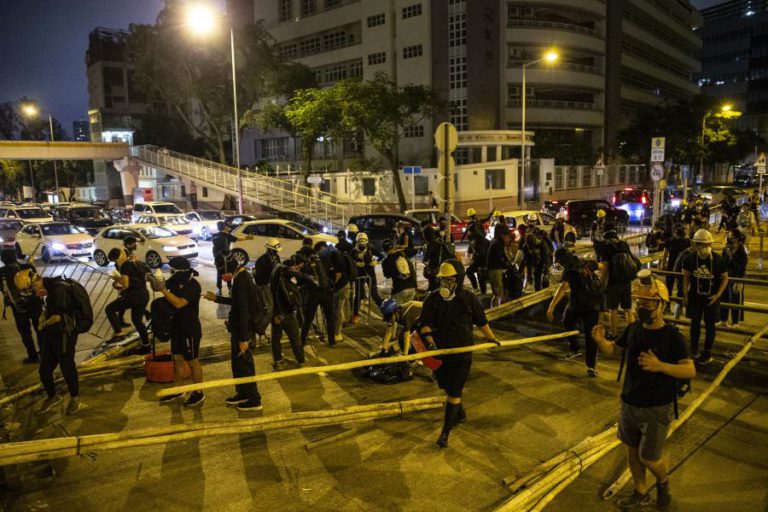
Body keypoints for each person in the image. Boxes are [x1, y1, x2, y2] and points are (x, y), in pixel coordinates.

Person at [592, 270, 695, 511]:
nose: (641, 307)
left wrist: (660, 366)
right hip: (629, 402)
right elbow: (614, 351)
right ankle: (640, 491)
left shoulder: (672, 337)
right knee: (631, 451)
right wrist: (600, 341)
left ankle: (662, 481)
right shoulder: (633, 328)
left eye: (647, 302)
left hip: (657, 407)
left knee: (649, 457)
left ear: (661, 304)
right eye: (639, 302)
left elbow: (690, 371)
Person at [418, 260, 499, 448]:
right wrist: (430, 343)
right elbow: (425, 324)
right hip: (440, 353)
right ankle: (459, 414)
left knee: (454, 392)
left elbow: (481, 322)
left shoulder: (469, 299)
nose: (445, 284)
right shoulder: (432, 300)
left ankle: (445, 432)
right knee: (446, 387)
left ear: (458, 279)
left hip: (462, 354)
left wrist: (492, 338)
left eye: (449, 280)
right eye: (442, 280)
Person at [14, 269, 84, 415]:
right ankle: (52, 397)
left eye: (32, 288)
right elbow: (49, 310)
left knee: (67, 368)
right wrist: (43, 316)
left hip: (65, 335)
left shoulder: (59, 290)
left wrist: (43, 324)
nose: (33, 292)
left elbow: (58, 317)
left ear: (36, 281)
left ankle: (75, 399)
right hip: (51, 335)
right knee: (44, 370)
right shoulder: (50, 288)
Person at [204, 259, 262, 410]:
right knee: (238, 364)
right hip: (239, 329)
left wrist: (244, 338)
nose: (224, 277)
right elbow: (237, 302)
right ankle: (243, 392)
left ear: (231, 271)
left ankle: (254, 399)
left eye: (224, 273)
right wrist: (217, 298)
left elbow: (243, 310)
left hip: (243, 330)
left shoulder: (242, 281)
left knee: (245, 364)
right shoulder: (241, 277)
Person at [151, 257, 205, 407]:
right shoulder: (175, 279)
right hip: (176, 326)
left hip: (189, 328)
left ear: (179, 269)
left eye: (172, 269)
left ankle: (198, 392)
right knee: (177, 359)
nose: (171, 272)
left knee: (193, 361)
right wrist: (153, 280)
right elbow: (159, 287)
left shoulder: (193, 285)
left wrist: (162, 289)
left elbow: (179, 303)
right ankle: (178, 389)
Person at [547, 249, 602, 377]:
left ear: (562, 260)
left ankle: (574, 348)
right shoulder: (584, 262)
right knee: (591, 336)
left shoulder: (570, 270)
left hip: (576, 305)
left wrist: (551, 306)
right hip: (593, 305)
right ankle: (591, 366)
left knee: (567, 320)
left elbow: (563, 288)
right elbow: (602, 266)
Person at [682, 229, 728, 364]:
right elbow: (686, 278)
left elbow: (725, 278)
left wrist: (718, 295)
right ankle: (694, 349)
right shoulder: (689, 259)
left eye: (706, 244)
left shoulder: (718, 260)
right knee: (694, 324)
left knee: (710, 325)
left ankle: (707, 352)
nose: (704, 247)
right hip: (695, 297)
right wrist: (685, 295)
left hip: (711, 298)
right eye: (700, 244)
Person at [270, 256, 312, 369]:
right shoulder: (285, 278)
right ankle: (301, 359)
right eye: (293, 268)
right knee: (294, 337)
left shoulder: (275, 273)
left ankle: (278, 361)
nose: (295, 270)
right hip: (286, 313)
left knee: (276, 338)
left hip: (275, 313)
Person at [0, 249, 42, 363]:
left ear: (2, 259)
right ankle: (45, 354)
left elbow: (3, 290)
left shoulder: (1, 272)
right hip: (35, 304)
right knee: (40, 329)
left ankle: (33, 357)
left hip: (19, 308)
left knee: (25, 333)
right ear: (14, 257)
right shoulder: (28, 267)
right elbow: (38, 283)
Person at [105, 248, 150, 350]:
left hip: (133, 296)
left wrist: (117, 284)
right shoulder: (135, 262)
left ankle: (119, 333)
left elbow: (126, 285)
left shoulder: (125, 266)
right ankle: (146, 344)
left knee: (109, 309)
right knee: (137, 321)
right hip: (144, 294)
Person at [300, 242, 340, 348]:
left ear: (305, 255)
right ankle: (331, 341)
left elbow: (302, 279)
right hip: (326, 292)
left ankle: (302, 342)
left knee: (308, 319)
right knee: (329, 317)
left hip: (314, 294)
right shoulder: (323, 259)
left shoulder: (307, 264)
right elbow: (331, 273)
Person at [600, 226, 637, 338]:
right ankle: (633, 333)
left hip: (613, 283)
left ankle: (613, 333)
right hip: (626, 282)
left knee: (613, 309)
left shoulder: (607, 248)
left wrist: (601, 283)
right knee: (627, 309)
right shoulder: (624, 245)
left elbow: (605, 268)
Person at [211, 221, 251, 295]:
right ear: (224, 227)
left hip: (218, 258)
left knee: (219, 273)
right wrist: (247, 238)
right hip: (227, 257)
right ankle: (230, 289)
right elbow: (238, 239)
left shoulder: (214, 235)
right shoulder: (226, 235)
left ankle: (219, 290)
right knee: (228, 271)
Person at [350, 233, 382, 323]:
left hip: (370, 274)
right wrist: (355, 263)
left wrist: (375, 261)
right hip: (359, 275)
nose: (363, 247)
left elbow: (381, 255)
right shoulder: (353, 251)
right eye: (361, 245)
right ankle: (355, 315)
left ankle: (385, 312)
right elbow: (349, 260)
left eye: (364, 245)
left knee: (374, 294)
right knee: (358, 295)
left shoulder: (370, 249)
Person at [720, 229, 747, 327]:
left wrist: (738, 281)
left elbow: (742, 266)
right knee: (724, 298)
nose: (729, 238)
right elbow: (722, 264)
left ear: (736, 238)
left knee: (735, 299)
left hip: (736, 278)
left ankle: (735, 321)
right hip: (726, 278)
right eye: (729, 236)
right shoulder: (725, 249)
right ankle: (723, 319)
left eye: (731, 236)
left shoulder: (741, 251)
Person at [660, 226, 691, 312]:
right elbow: (665, 254)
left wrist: (663, 264)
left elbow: (665, 254)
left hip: (681, 267)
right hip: (673, 267)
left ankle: (678, 305)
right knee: (669, 287)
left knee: (679, 287)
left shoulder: (685, 241)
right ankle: (669, 306)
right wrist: (663, 264)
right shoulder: (670, 241)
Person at [423, 227, 455, 291]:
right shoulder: (441, 241)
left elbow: (426, 258)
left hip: (435, 266)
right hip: (444, 265)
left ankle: (433, 292)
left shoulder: (431, 243)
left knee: (433, 282)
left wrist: (424, 260)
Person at [487, 227, 510, 307]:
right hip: (494, 270)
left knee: (499, 292)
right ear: (504, 236)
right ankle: (494, 310)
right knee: (497, 293)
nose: (508, 239)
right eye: (507, 237)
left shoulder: (496, 242)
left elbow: (503, 256)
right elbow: (499, 257)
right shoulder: (497, 244)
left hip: (494, 269)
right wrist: (506, 265)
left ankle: (497, 308)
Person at [466, 230, 489, 295]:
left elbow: (482, 254)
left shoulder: (482, 243)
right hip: (479, 262)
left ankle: (482, 292)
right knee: (469, 271)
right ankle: (477, 288)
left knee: (480, 276)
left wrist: (479, 266)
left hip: (483, 263)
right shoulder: (477, 242)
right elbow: (472, 252)